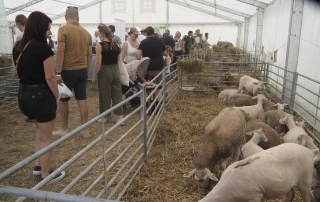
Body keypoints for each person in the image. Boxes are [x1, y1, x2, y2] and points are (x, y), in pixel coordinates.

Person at [12, 11, 66, 183]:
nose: (49, 33)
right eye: (47, 29)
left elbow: (26, 71)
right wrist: (57, 96)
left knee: (40, 131)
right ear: (39, 28)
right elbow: (50, 77)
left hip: (24, 95)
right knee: (46, 136)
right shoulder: (43, 48)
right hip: (41, 96)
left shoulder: (18, 46)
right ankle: (46, 174)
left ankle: (37, 166)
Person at [53, 7, 92, 138]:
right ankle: (85, 130)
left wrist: (58, 72)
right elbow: (89, 55)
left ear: (65, 17)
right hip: (82, 70)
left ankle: (64, 129)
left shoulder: (63, 29)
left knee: (64, 99)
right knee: (82, 99)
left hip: (68, 71)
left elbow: (60, 52)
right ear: (78, 18)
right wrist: (85, 69)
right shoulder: (86, 33)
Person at [92, 25, 124, 124]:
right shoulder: (116, 45)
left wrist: (94, 75)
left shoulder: (99, 45)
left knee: (104, 95)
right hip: (115, 69)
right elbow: (119, 60)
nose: (98, 35)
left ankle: (106, 116)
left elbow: (98, 63)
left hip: (105, 70)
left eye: (99, 33)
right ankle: (120, 117)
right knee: (117, 94)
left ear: (102, 33)